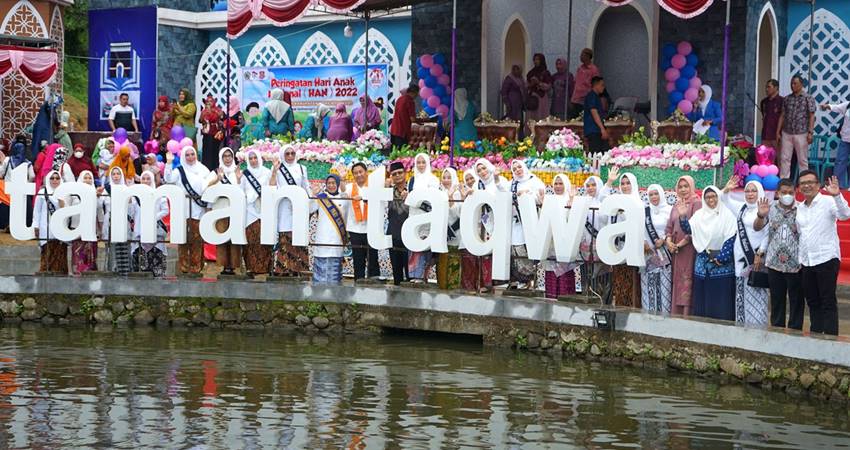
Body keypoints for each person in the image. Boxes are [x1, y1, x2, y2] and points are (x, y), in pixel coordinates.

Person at [796, 171, 850, 335]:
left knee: (827, 301)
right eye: (803, 183)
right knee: (812, 302)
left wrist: (837, 196)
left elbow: (845, 214)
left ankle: (830, 340)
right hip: (807, 261)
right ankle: (816, 335)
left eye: (810, 182)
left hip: (826, 258)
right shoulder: (800, 207)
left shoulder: (828, 201)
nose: (807, 185)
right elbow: (800, 233)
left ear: (818, 185)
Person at [679, 185, 736, 321]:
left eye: (714, 196)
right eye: (708, 197)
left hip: (721, 265)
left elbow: (731, 237)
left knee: (721, 299)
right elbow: (688, 229)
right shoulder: (699, 215)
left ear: (718, 196)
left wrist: (721, 257)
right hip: (703, 265)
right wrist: (682, 217)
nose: (711, 199)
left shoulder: (727, 215)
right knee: (702, 299)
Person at [722, 177, 770, 327]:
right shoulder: (741, 208)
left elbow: (768, 233)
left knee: (756, 290)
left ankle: (757, 326)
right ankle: (741, 324)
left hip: (757, 256)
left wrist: (761, 252)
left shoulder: (764, 208)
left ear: (760, 192)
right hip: (740, 255)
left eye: (753, 191)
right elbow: (724, 199)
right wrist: (727, 188)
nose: (750, 194)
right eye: (747, 191)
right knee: (741, 289)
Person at [758, 178, 804, 329]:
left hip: (796, 263)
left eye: (790, 192)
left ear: (795, 192)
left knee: (796, 301)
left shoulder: (802, 209)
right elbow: (758, 228)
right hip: (774, 263)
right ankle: (777, 332)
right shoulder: (769, 209)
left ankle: (795, 333)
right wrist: (760, 215)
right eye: (784, 192)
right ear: (777, 193)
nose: (787, 195)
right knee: (777, 300)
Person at [460, 159, 506, 293]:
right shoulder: (477, 186)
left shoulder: (499, 179)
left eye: (484, 168)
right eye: (478, 170)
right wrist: (467, 196)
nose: (482, 172)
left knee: (497, 252)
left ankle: (499, 282)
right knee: (485, 253)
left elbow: (505, 193)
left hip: (500, 220)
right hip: (486, 223)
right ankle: (486, 284)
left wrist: (497, 179)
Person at [164, 146, 210, 275]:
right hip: (182, 210)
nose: (190, 157)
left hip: (198, 210)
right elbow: (168, 178)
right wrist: (168, 163)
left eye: (192, 154)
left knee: (197, 239)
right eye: (187, 155)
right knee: (183, 239)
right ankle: (183, 267)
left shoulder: (203, 169)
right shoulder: (179, 171)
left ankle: (197, 267)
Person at [269, 146, 311, 277]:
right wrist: (275, 171)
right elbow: (271, 187)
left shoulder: (301, 168)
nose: (290, 156)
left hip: (298, 207)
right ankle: (284, 269)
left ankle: (299, 269)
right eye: (287, 154)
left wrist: (307, 203)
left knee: (299, 237)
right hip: (284, 207)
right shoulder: (277, 168)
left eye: (293, 153)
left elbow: (306, 187)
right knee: (285, 238)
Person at [665, 175, 701, 316]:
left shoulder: (696, 203)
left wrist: (680, 244)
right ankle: (676, 313)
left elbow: (697, 228)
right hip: (675, 250)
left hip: (688, 249)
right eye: (680, 187)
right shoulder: (677, 204)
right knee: (677, 279)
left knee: (687, 279)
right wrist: (669, 242)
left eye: (686, 186)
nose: (683, 189)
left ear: (691, 187)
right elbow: (669, 226)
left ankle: (686, 314)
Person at [508, 159, 545, 290]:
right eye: (515, 169)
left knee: (533, 249)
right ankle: (524, 279)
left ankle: (535, 280)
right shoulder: (512, 184)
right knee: (518, 249)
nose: (518, 170)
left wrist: (527, 195)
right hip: (518, 223)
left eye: (519, 167)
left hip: (533, 222)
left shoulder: (534, 180)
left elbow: (541, 196)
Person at [406, 153, 440, 283]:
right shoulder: (412, 180)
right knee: (414, 246)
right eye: (418, 162)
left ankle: (423, 276)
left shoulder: (433, 180)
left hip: (426, 218)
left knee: (424, 246)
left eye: (423, 162)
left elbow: (433, 199)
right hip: (413, 218)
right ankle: (414, 275)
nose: (420, 165)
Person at [311, 174, 350, 285]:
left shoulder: (344, 199)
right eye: (329, 183)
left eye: (333, 183)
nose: (331, 185)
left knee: (334, 275)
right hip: (322, 239)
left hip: (336, 240)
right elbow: (310, 209)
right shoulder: (321, 198)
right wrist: (313, 194)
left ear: (337, 184)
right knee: (320, 276)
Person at [610, 172, 642, 307]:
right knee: (620, 285)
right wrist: (609, 182)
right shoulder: (615, 203)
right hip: (619, 249)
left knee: (633, 285)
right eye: (622, 183)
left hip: (633, 250)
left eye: (628, 183)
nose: (625, 186)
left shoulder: (639, 203)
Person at [543, 174, 577, 299]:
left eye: (560, 183)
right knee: (551, 270)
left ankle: (565, 297)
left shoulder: (570, 199)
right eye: (555, 184)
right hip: (551, 243)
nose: (557, 186)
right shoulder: (548, 199)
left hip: (564, 243)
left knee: (564, 271)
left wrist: (572, 202)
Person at [239, 149, 272, 277]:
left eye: (255, 158)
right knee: (251, 240)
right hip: (249, 211)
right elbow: (240, 192)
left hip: (264, 211)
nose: (253, 161)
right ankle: (251, 268)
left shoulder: (267, 173)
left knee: (264, 239)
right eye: (251, 158)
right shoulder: (244, 175)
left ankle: (264, 268)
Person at [345, 162, 380, 281]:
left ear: (366, 172)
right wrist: (341, 178)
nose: (359, 175)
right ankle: (358, 281)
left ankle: (374, 281)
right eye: (355, 173)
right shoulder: (350, 187)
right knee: (358, 258)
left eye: (361, 172)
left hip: (371, 228)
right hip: (355, 228)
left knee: (373, 257)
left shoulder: (374, 187)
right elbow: (342, 192)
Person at [130, 170, 169, 277]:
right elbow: (132, 212)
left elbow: (165, 210)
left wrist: (152, 218)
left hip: (154, 230)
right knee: (139, 258)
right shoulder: (135, 197)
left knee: (156, 259)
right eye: (143, 179)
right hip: (139, 230)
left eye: (148, 179)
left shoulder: (159, 195)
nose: (146, 181)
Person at [641, 184, 673, 313]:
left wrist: (664, 238)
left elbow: (673, 228)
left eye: (656, 193)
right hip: (648, 253)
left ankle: (664, 314)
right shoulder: (644, 211)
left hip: (664, 253)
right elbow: (639, 228)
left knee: (664, 284)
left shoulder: (670, 209)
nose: (654, 197)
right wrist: (643, 242)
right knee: (648, 282)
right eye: (651, 194)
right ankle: (648, 312)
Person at [579, 174, 611, 300]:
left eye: (593, 185)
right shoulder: (583, 201)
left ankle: (603, 302)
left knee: (603, 277)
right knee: (587, 276)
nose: (591, 188)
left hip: (602, 244)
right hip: (586, 246)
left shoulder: (605, 200)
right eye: (588, 185)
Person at [777, 75, 816, 178]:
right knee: (784, 158)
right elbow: (782, 115)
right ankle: (784, 181)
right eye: (791, 83)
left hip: (801, 133)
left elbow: (812, 116)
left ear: (801, 85)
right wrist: (778, 132)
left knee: (802, 160)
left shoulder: (808, 98)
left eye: (795, 83)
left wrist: (810, 132)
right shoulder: (787, 99)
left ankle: (804, 181)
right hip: (787, 132)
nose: (792, 86)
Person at [211, 147, 242, 276]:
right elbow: (205, 188)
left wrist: (239, 179)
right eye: (225, 156)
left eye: (230, 156)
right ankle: (224, 265)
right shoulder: (215, 172)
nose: (228, 158)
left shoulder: (238, 171)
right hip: (220, 210)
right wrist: (217, 179)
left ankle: (234, 266)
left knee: (234, 240)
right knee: (222, 239)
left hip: (235, 210)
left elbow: (243, 191)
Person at [33, 170, 68, 274]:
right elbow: (37, 211)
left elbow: (67, 211)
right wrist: (36, 225)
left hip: (61, 229)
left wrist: (62, 203)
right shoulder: (42, 193)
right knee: (47, 254)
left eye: (57, 178)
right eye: (52, 178)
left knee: (60, 255)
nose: (55, 180)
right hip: (45, 227)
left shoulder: (65, 193)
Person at [69, 170, 101, 275]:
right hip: (77, 229)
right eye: (85, 178)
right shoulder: (74, 194)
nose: (87, 180)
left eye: (89, 178)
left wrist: (96, 197)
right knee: (78, 255)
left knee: (90, 255)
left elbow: (99, 210)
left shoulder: (97, 193)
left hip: (91, 230)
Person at [103, 167, 133, 275]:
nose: (116, 176)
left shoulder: (126, 189)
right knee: (111, 247)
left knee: (124, 245)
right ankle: (111, 270)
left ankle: (125, 271)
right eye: (113, 174)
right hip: (110, 220)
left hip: (123, 220)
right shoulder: (106, 189)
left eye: (118, 174)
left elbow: (131, 207)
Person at [437, 167, 463, 290]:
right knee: (442, 261)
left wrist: (451, 198)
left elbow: (458, 214)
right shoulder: (439, 193)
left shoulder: (458, 193)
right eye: (444, 177)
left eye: (449, 177)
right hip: (442, 233)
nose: (446, 180)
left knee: (454, 261)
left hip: (455, 233)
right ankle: (442, 286)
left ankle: (453, 288)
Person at [386, 161, 409, 285]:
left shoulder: (413, 190)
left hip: (410, 235)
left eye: (400, 172)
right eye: (394, 174)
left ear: (405, 173)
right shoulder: (387, 192)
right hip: (393, 235)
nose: (398, 176)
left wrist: (409, 197)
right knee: (397, 273)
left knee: (410, 271)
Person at [819, 100, 850, 189]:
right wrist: (827, 106)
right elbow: (836, 107)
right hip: (845, 139)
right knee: (840, 161)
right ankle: (838, 185)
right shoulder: (848, 105)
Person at [570, 48, 600, 119]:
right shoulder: (580, 68)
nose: (580, 56)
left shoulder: (593, 70)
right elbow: (575, 83)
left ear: (587, 56)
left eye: (582, 54)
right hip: (576, 100)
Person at [526, 53, 553, 126]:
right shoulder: (530, 73)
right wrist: (531, 84)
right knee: (531, 119)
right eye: (534, 59)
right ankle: (530, 136)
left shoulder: (546, 73)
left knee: (541, 118)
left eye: (537, 59)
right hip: (532, 98)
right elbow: (526, 86)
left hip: (542, 98)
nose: (536, 61)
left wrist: (538, 83)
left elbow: (548, 87)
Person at [584, 76, 609, 154]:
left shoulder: (596, 97)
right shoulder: (592, 96)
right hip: (594, 130)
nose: (603, 87)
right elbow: (594, 112)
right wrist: (602, 129)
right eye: (602, 85)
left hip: (596, 130)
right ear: (596, 85)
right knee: (596, 154)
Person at [390, 83, 419, 149]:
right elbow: (413, 119)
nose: (416, 96)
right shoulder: (410, 101)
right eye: (417, 94)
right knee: (402, 154)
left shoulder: (400, 99)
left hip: (394, 129)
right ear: (413, 92)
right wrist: (420, 121)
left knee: (394, 153)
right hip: (402, 131)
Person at [200, 95, 224, 171]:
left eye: (211, 101)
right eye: (207, 101)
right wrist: (205, 113)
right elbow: (200, 120)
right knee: (206, 151)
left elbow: (220, 117)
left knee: (214, 151)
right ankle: (206, 169)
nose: (209, 103)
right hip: (207, 134)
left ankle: (214, 168)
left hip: (215, 134)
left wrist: (212, 112)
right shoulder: (204, 111)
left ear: (214, 102)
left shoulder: (218, 110)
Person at [760, 79, 782, 150]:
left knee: (779, 159)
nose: (766, 89)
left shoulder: (782, 101)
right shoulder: (764, 102)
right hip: (766, 135)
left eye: (769, 87)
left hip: (777, 136)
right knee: (765, 158)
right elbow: (764, 116)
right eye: (766, 87)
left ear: (776, 88)